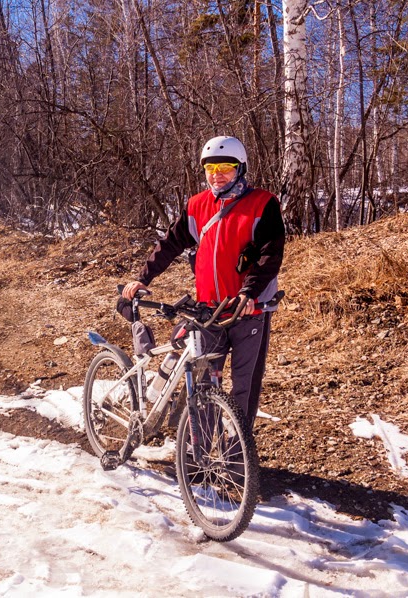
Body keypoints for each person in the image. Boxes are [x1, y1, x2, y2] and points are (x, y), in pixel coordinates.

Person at [121, 135, 285, 430]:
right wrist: (142, 277)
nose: (216, 174)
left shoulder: (263, 204)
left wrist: (249, 293)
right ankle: (199, 459)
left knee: (243, 391)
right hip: (208, 311)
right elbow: (170, 244)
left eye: (225, 167)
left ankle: (236, 460)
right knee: (203, 387)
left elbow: (269, 255)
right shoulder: (197, 205)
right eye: (210, 168)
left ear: (241, 168)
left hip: (249, 312)